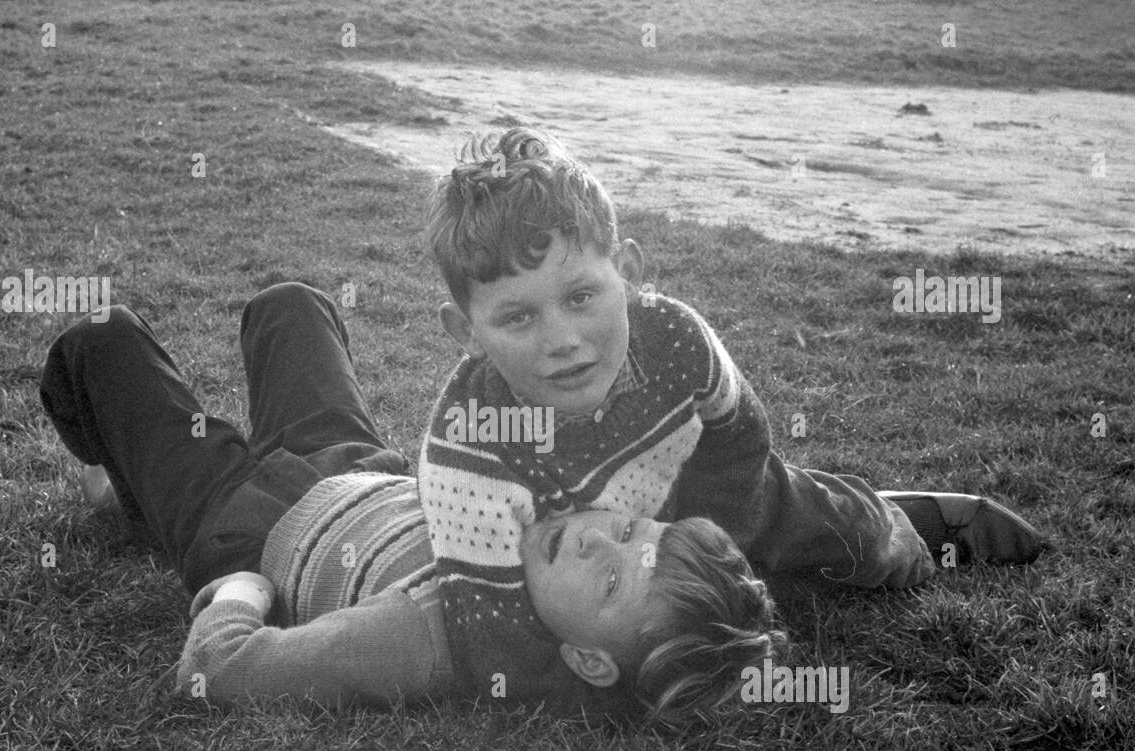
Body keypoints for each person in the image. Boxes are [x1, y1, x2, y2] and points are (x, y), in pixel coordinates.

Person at [417, 127, 1046, 709]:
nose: (563, 340)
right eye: (517, 317)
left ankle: (906, 522)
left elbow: (741, 436)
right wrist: (628, 686)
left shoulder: (675, 337)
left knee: (812, 525)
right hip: (592, 556)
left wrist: (715, 545)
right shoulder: (467, 448)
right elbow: (494, 636)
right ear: (466, 332)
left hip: (706, 488)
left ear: (628, 275)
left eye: (581, 297)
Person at [40, 282, 783, 726]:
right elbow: (739, 484)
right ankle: (136, 490)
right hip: (356, 466)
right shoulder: (560, 517)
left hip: (243, 523)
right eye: (625, 528)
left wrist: (238, 593)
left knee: (100, 334)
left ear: (588, 659)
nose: (594, 538)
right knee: (290, 304)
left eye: (612, 582)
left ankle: (122, 486)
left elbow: (220, 669)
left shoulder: (429, 637)